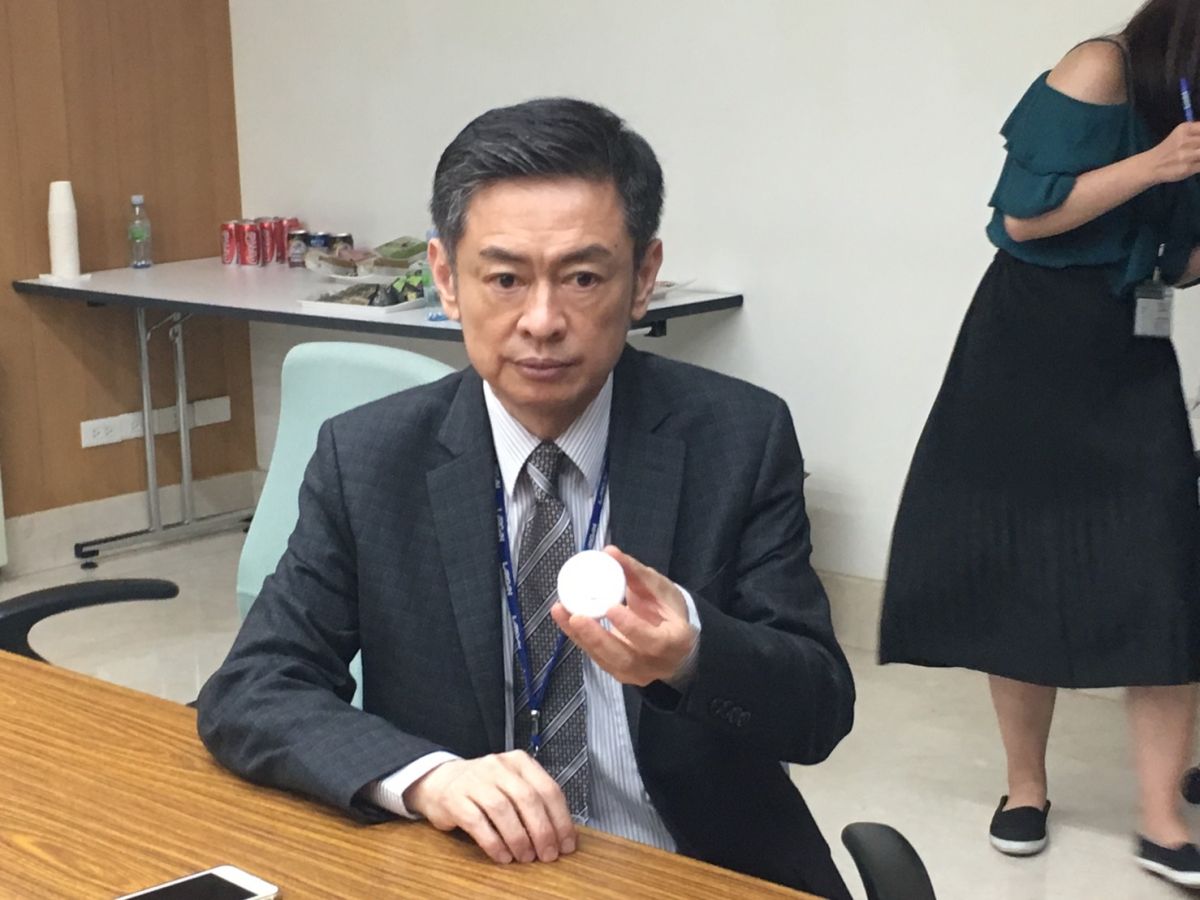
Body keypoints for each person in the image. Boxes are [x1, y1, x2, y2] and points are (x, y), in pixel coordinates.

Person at [196, 97, 855, 898]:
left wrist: (691, 655)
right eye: (505, 278)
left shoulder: (737, 439)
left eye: (583, 278)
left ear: (643, 278)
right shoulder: (368, 458)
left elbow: (818, 709)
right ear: (447, 279)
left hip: (692, 867)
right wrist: (428, 777)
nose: (542, 321)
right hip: (474, 870)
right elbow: (254, 687)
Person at [879, 0, 1200, 887]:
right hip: (1024, 347)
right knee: (1017, 563)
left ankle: (1162, 818)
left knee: (1163, 571)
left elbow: (1175, 261)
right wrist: (1157, 163)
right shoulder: (1101, 66)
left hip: (1129, 348)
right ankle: (1026, 788)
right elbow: (1026, 214)